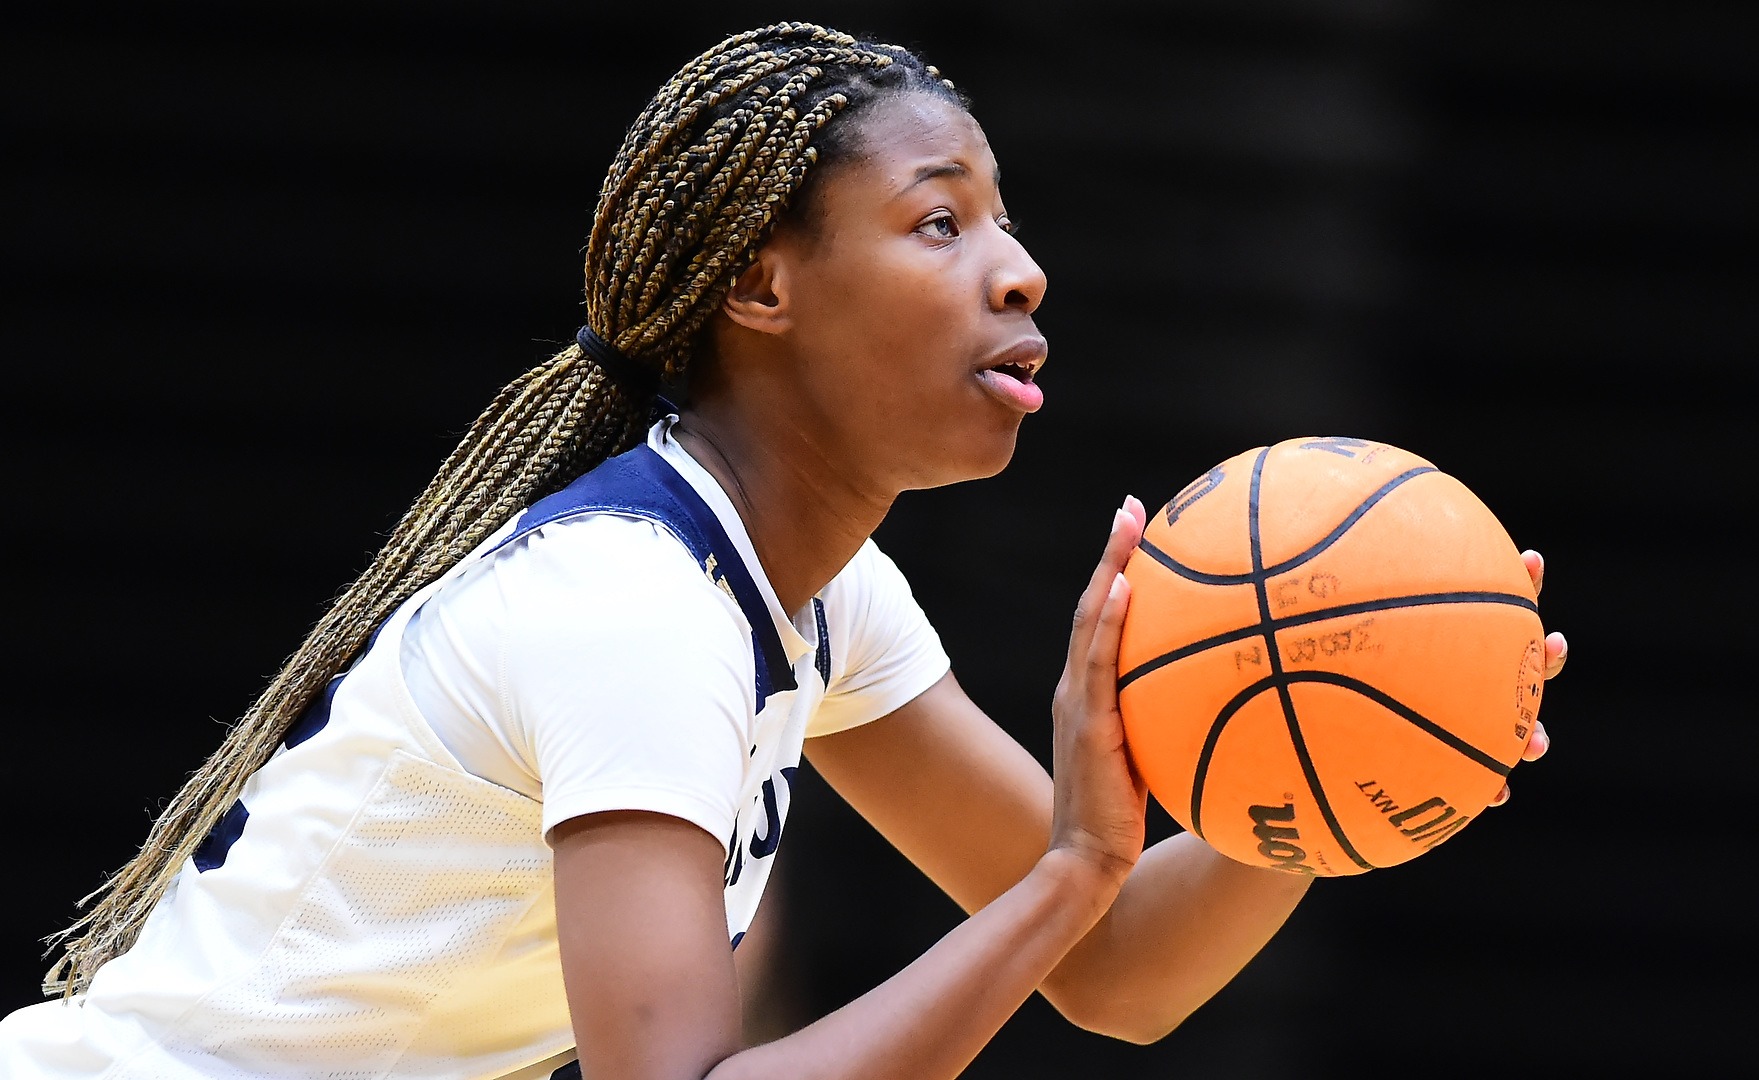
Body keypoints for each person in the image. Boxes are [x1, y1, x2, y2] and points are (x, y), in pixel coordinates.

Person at [0, 22, 1566, 1080]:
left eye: (1007, 221)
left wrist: (1322, 773)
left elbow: (1120, 976)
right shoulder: (636, 611)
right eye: (940, 222)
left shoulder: (817, 599)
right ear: (764, 287)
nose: (1018, 270)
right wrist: (1079, 868)